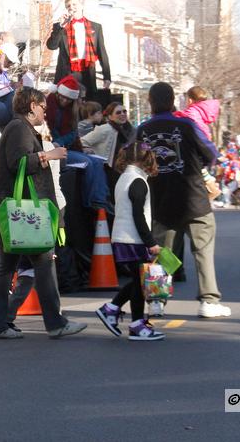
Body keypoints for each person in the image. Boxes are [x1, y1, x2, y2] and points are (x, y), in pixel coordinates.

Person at [0, 87, 87, 340]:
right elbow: (18, 163)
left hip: (14, 213)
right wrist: (47, 155)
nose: (45, 111)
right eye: (42, 107)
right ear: (32, 106)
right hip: (26, 214)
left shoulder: (17, 127)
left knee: (7, 266)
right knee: (43, 262)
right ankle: (55, 323)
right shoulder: (19, 128)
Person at [136, 82, 231, 319]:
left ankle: (156, 301)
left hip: (161, 200)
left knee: (161, 253)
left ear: (150, 102)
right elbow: (211, 153)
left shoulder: (143, 129)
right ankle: (208, 301)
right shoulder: (187, 124)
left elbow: (132, 157)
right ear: (173, 102)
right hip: (194, 198)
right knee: (203, 251)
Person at [95, 142, 165, 341]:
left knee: (138, 282)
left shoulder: (124, 178)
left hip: (123, 237)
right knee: (140, 282)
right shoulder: (138, 182)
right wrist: (150, 242)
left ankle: (114, 310)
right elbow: (138, 215)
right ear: (146, 159)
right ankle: (133, 323)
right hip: (133, 239)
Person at [47, 76, 108, 209]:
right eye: (62, 96)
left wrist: (81, 148)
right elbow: (51, 131)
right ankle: (91, 203)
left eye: (68, 98)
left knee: (97, 161)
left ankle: (101, 200)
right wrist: (59, 142)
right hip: (55, 150)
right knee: (89, 163)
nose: (64, 100)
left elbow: (73, 134)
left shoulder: (72, 111)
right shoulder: (49, 104)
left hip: (66, 147)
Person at [45, 0, 111, 101]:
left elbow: (102, 52)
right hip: (68, 71)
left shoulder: (96, 27)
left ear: (81, 5)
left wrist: (107, 76)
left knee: (88, 102)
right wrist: (60, 26)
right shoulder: (62, 27)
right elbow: (51, 46)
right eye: (68, 6)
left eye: (74, 4)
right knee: (69, 103)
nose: (71, 7)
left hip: (87, 70)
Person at [81, 101, 136, 198]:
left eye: (124, 111)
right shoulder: (105, 129)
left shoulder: (130, 129)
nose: (122, 114)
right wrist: (88, 149)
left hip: (127, 169)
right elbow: (82, 141)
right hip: (109, 171)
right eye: (118, 112)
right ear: (110, 116)